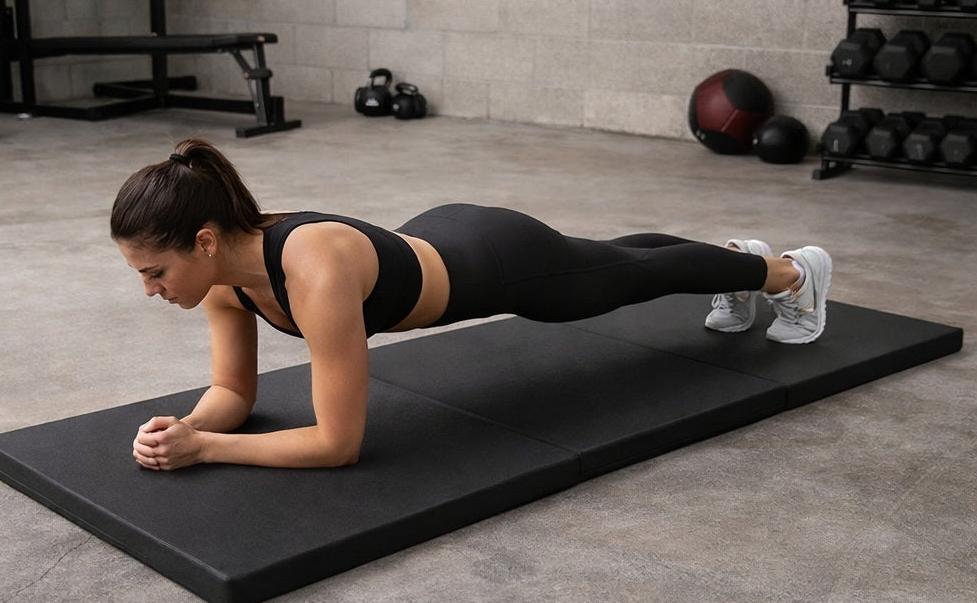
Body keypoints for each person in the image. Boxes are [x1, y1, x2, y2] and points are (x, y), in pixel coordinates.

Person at [111, 138, 832, 472]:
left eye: (154, 271)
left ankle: (790, 274)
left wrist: (210, 450)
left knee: (620, 278)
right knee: (612, 261)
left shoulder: (312, 268)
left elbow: (338, 444)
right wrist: (189, 427)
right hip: (445, 236)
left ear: (203, 241)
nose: (150, 290)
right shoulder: (226, 278)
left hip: (496, 264)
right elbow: (234, 391)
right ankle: (735, 259)